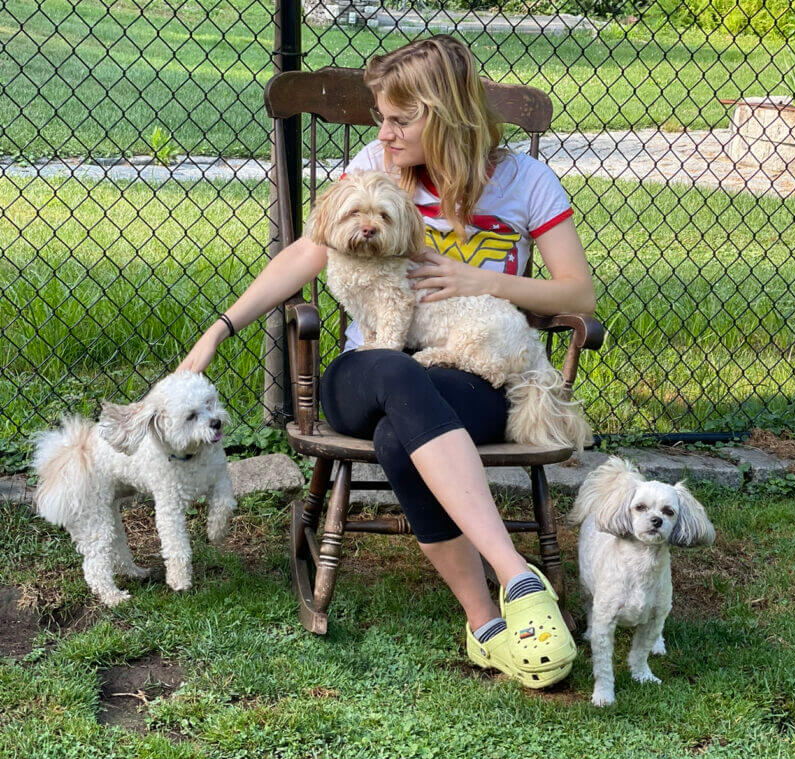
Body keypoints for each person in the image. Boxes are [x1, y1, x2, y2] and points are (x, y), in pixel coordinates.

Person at [178, 36, 595, 688]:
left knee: (400, 434)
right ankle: (516, 573)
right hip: (365, 371)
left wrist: (475, 281)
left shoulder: (525, 181)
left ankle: (483, 623)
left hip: (469, 376)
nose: (385, 132)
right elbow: (304, 256)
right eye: (381, 117)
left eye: (402, 119)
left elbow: (577, 293)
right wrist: (218, 330)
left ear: (446, 114)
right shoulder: (377, 166)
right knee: (398, 374)